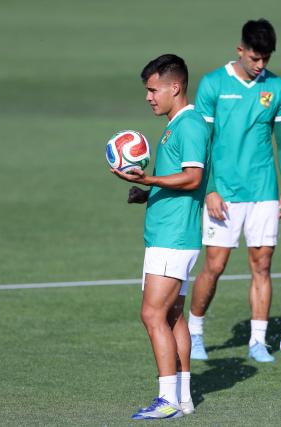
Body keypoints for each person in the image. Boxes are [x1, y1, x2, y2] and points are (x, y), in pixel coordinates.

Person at [188, 18, 281, 362]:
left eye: (265, 59)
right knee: (215, 266)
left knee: (262, 265)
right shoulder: (213, 85)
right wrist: (211, 188)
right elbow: (201, 142)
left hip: (264, 192)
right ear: (240, 50)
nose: (260, 65)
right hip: (224, 194)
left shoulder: (278, 88)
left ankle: (258, 341)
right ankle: (194, 333)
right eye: (254, 58)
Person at [111, 54, 210, 419]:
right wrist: (148, 194)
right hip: (169, 234)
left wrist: (148, 180)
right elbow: (181, 181)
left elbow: (194, 178)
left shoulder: (190, 126)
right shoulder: (176, 125)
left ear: (175, 87)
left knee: (151, 314)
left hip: (173, 237)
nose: (149, 97)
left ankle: (167, 399)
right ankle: (182, 398)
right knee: (172, 316)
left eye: (153, 90)